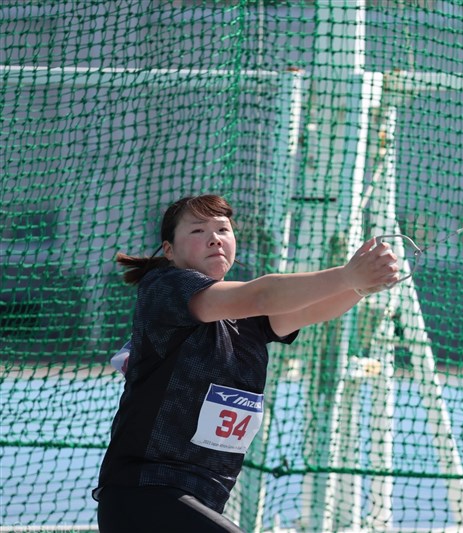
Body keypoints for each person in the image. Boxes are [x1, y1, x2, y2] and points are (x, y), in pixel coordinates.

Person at [93, 194, 399, 533]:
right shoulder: (165, 288)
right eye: (197, 231)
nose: (214, 238)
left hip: (202, 499)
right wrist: (346, 274)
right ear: (169, 250)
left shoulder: (244, 321)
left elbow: (306, 311)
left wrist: (360, 286)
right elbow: (262, 294)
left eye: (223, 229)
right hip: (146, 493)